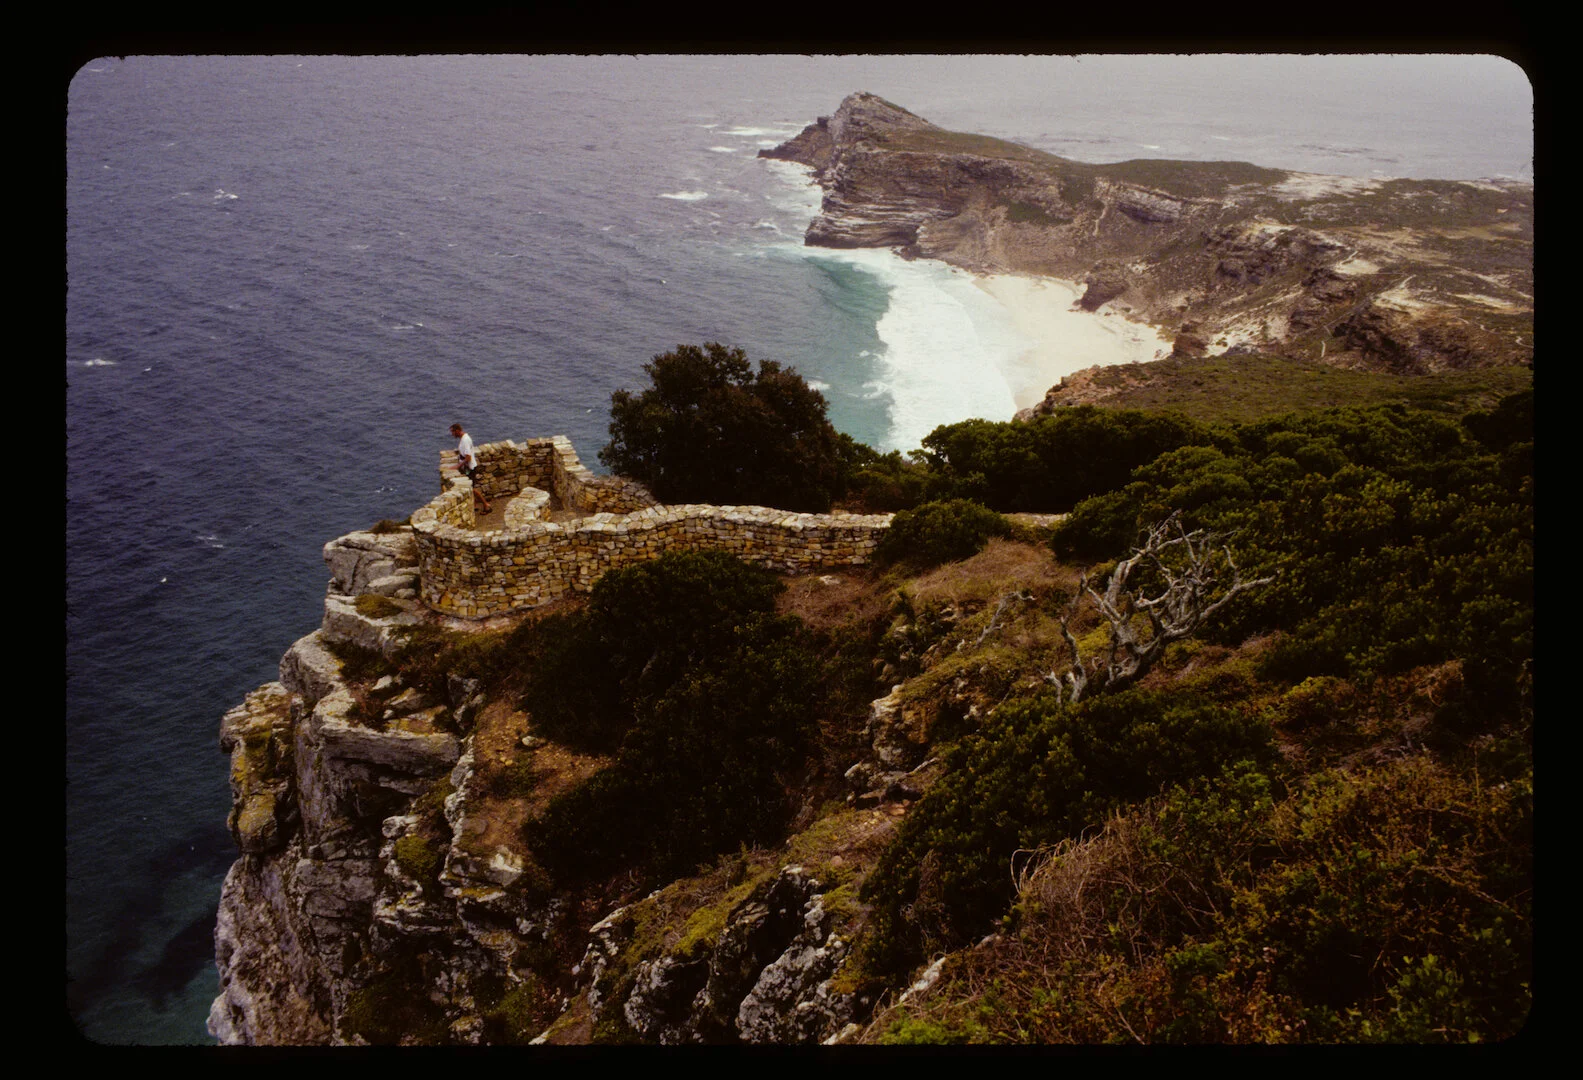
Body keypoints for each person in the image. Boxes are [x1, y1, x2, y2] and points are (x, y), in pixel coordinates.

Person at [449, 423, 492, 513]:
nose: (452, 434)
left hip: (470, 468)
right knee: (471, 488)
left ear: (457, 430)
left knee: (471, 489)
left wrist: (457, 466)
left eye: (452, 432)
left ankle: (486, 505)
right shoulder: (464, 439)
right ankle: (475, 505)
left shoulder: (465, 440)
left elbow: (468, 457)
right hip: (469, 467)